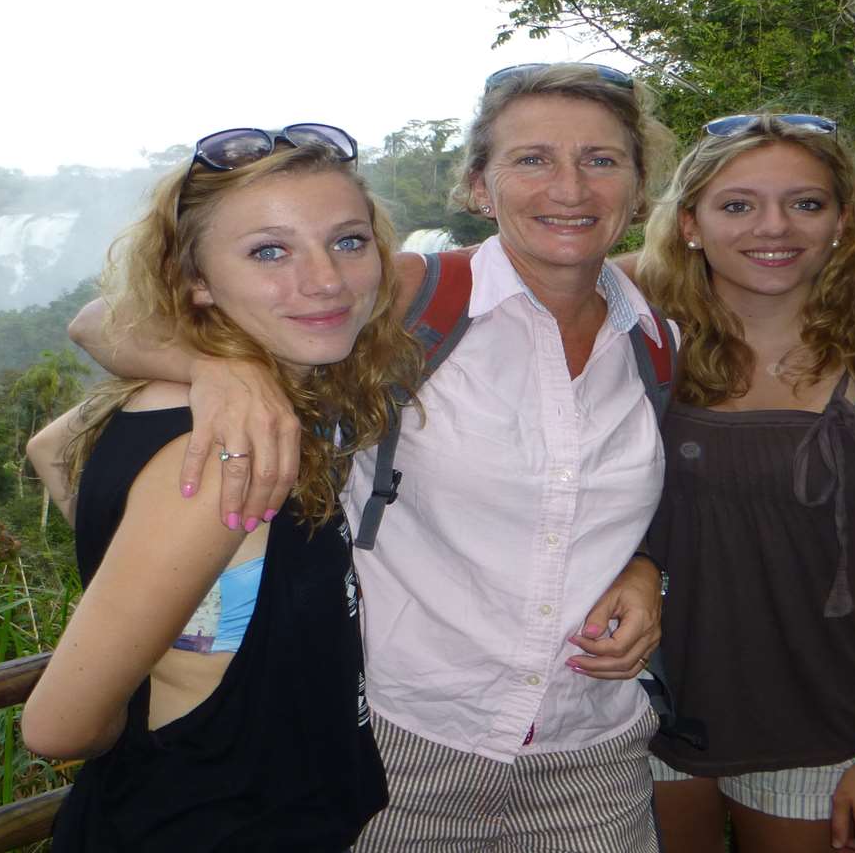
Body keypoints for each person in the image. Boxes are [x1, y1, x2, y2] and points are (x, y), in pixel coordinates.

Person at [63, 62, 681, 850]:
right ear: (477, 186)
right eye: (532, 159)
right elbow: (98, 320)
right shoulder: (403, 298)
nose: (570, 187)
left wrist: (643, 567)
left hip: (592, 758)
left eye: (601, 160)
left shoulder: (657, 342)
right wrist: (223, 367)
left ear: (638, 188)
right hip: (397, 753)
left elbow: (635, 508)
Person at [19, 124, 420, 851]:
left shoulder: (262, 393)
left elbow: (49, 448)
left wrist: (180, 602)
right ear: (195, 279)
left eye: (349, 241)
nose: (326, 279)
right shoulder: (222, 458)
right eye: (270, 251)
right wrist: (144, 712)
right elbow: (57, 728)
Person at [627, 115, 855, 853]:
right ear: (691, 226)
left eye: (805, 203)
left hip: (822, 714)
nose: (774, 227)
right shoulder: (637, 350)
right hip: (643, 708)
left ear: (842, 222)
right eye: (737, 205)